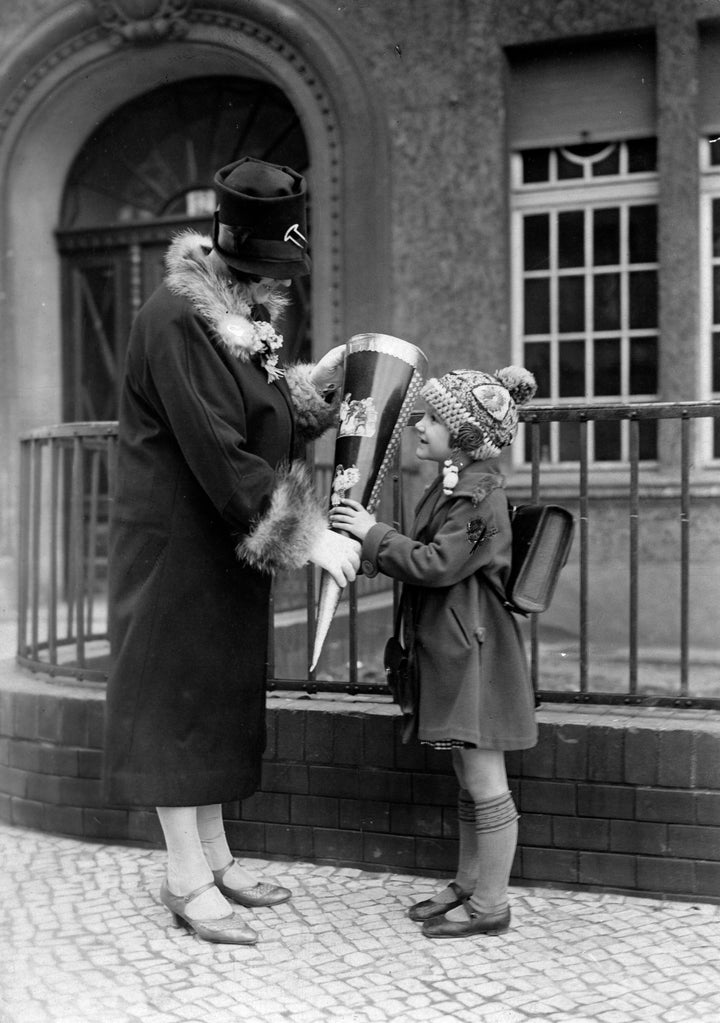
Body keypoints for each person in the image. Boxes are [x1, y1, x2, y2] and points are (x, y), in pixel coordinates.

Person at [103, 156, 360, 946]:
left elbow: (263, 411)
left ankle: (214, 858)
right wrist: (311, 535)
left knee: (212, 698)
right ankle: (185, 876)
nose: (266, 291)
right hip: (179, 545)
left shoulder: (224, 315)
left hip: (221, 543)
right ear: (230, 258)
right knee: (179, 704)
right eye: (259, 275)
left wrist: (314, 385)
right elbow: (221, 451)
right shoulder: (178, 320)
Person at [330, 365, 538, 939]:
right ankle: (470, 884)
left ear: (465, 437)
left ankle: (491, 903)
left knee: (484, 777)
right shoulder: (454, 485)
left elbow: (437, 564)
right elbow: (427, 548)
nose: (418, 425)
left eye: (430, 418)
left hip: (472, 655)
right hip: (453, 647)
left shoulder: (481, 497)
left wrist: (374, 535)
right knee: (467, 774)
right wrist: (374, 533)